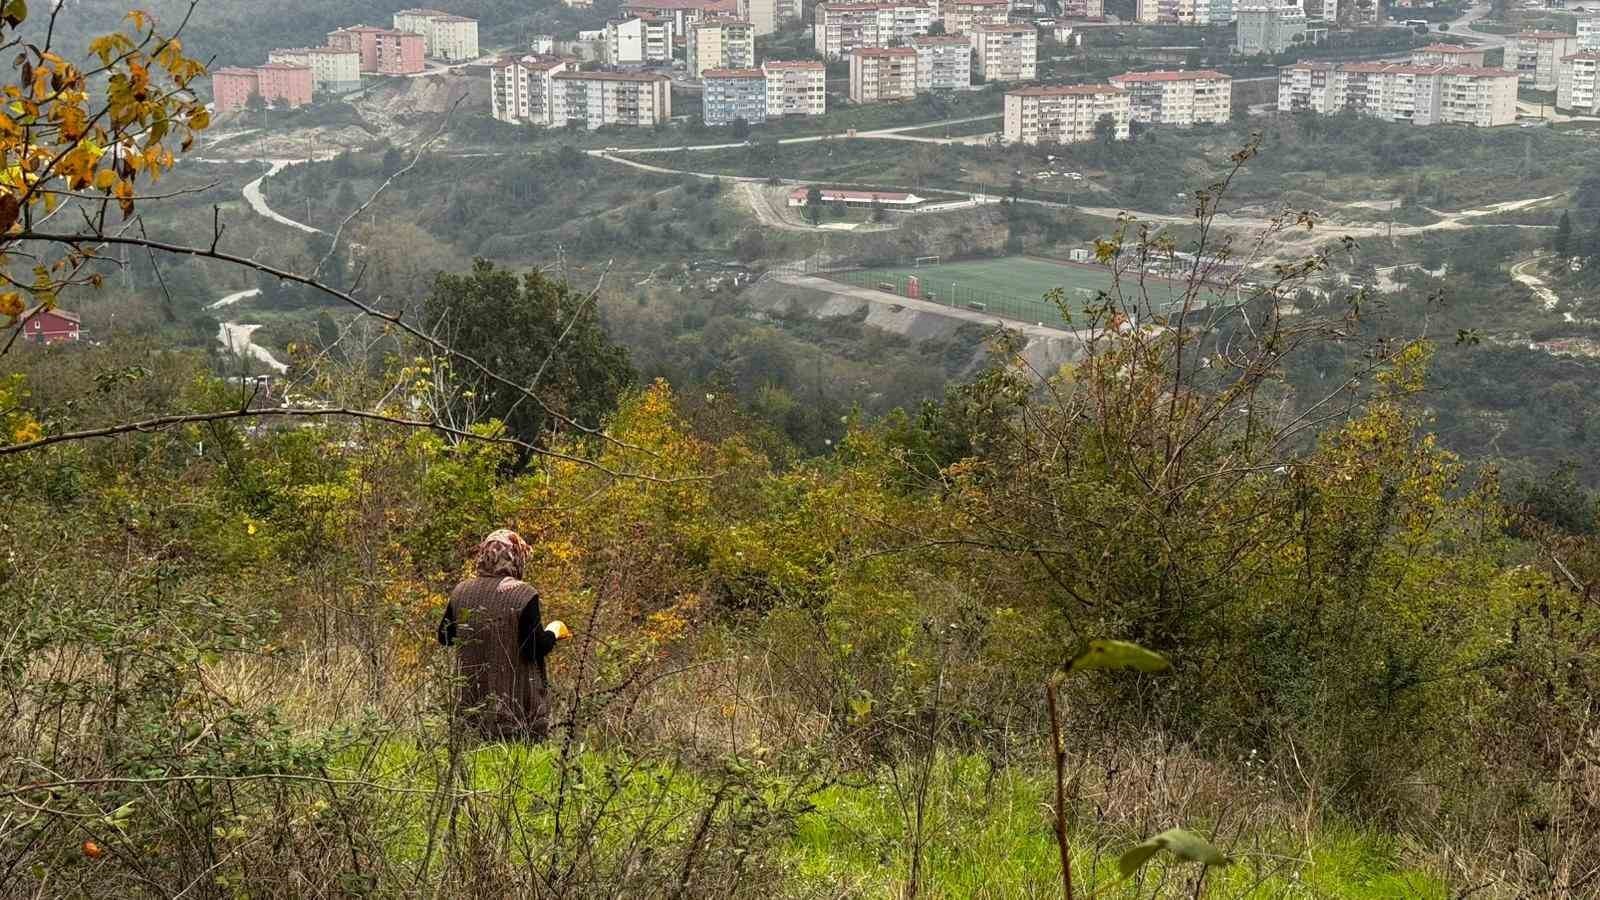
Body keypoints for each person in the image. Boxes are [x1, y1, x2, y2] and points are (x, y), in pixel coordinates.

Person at [437, 529, 570, 740]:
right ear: (516, 557)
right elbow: (533, 648)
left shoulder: (461, 591)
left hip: (471, 714)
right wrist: (554, 632)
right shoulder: (523, 594)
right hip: (514, 713)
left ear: (484, 555)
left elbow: (445, 637)